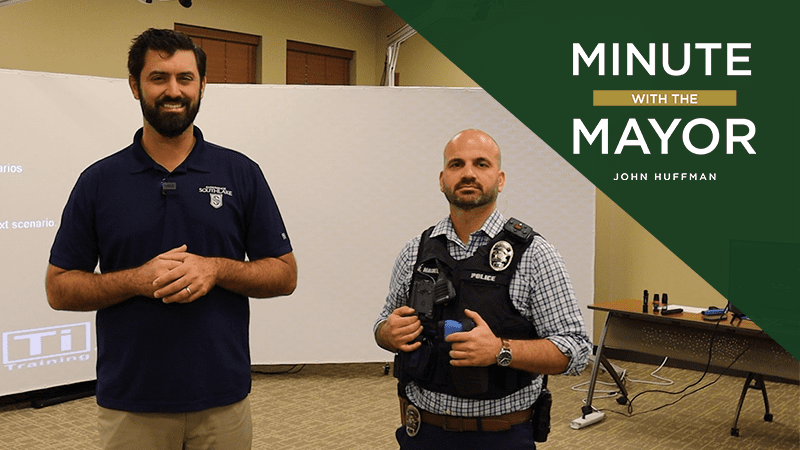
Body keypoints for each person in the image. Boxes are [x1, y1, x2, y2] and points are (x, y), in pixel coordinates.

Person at [45, 28, 297, 450]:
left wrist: (216, 269)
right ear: (135, 86)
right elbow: (59, 288)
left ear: (202, 85)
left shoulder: (241, 173)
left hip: (222, 399)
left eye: (185, 78)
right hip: (131, 402)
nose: (173, 91)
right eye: (158, 78)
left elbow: (284, 274)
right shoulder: (99, 181)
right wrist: (136, 280)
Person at [374, 129, 591, 449]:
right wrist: (387, 333)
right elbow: (383, 324)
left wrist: (501, 351)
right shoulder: (415, 252)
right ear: (442, 180)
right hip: (422, 432)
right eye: (456, 164)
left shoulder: (534, 255)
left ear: (500, 180)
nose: (468, 173)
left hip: (499, 437)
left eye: (481, 164)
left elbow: (576, 350)